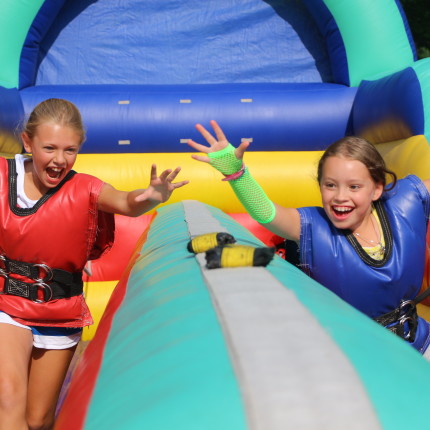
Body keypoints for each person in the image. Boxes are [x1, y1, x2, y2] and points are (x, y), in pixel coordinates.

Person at [0, 98, 188, 430]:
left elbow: (125, 202)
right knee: (7, 396)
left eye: (70, 150)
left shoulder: (85, 187)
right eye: (49, 148)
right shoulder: (4, 176)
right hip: (7, 303)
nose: (59, 160)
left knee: (38, 419)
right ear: (27, 142)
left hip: (60, 310)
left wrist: (149, 197)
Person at [188, 120, 430, 356]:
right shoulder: (311, 227)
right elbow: (266, 213)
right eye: (330, 185)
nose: (340, 196)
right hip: (355, 352)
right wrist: (237, 173)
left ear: (376, 189)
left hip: (419, 341)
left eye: (354, 187)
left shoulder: (405, 203)